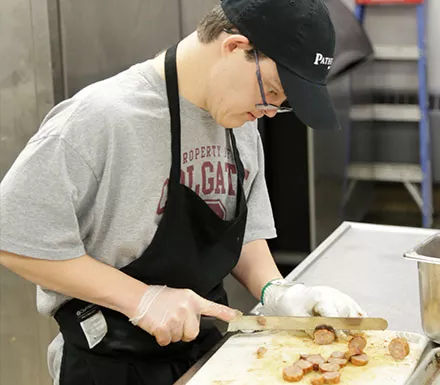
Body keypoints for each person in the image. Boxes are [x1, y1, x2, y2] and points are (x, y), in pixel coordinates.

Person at [0, 0, 365, 384]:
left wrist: (276, 290)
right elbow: (14, 237)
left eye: (282, 103)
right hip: (108, 364)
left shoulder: (240, 119)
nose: (271, 111)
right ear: (235, 48)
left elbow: (239, 230)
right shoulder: (102, 119)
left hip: (205, 357)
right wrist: (141, 299)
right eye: (273, 92)